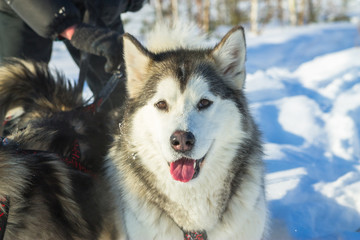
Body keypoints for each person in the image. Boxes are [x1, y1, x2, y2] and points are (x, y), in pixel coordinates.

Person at [0, 0, 145, 110]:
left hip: (92, 7)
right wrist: (75, 31)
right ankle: (13, 143)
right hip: (25, 8)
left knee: (120, 89)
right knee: (17, 88)